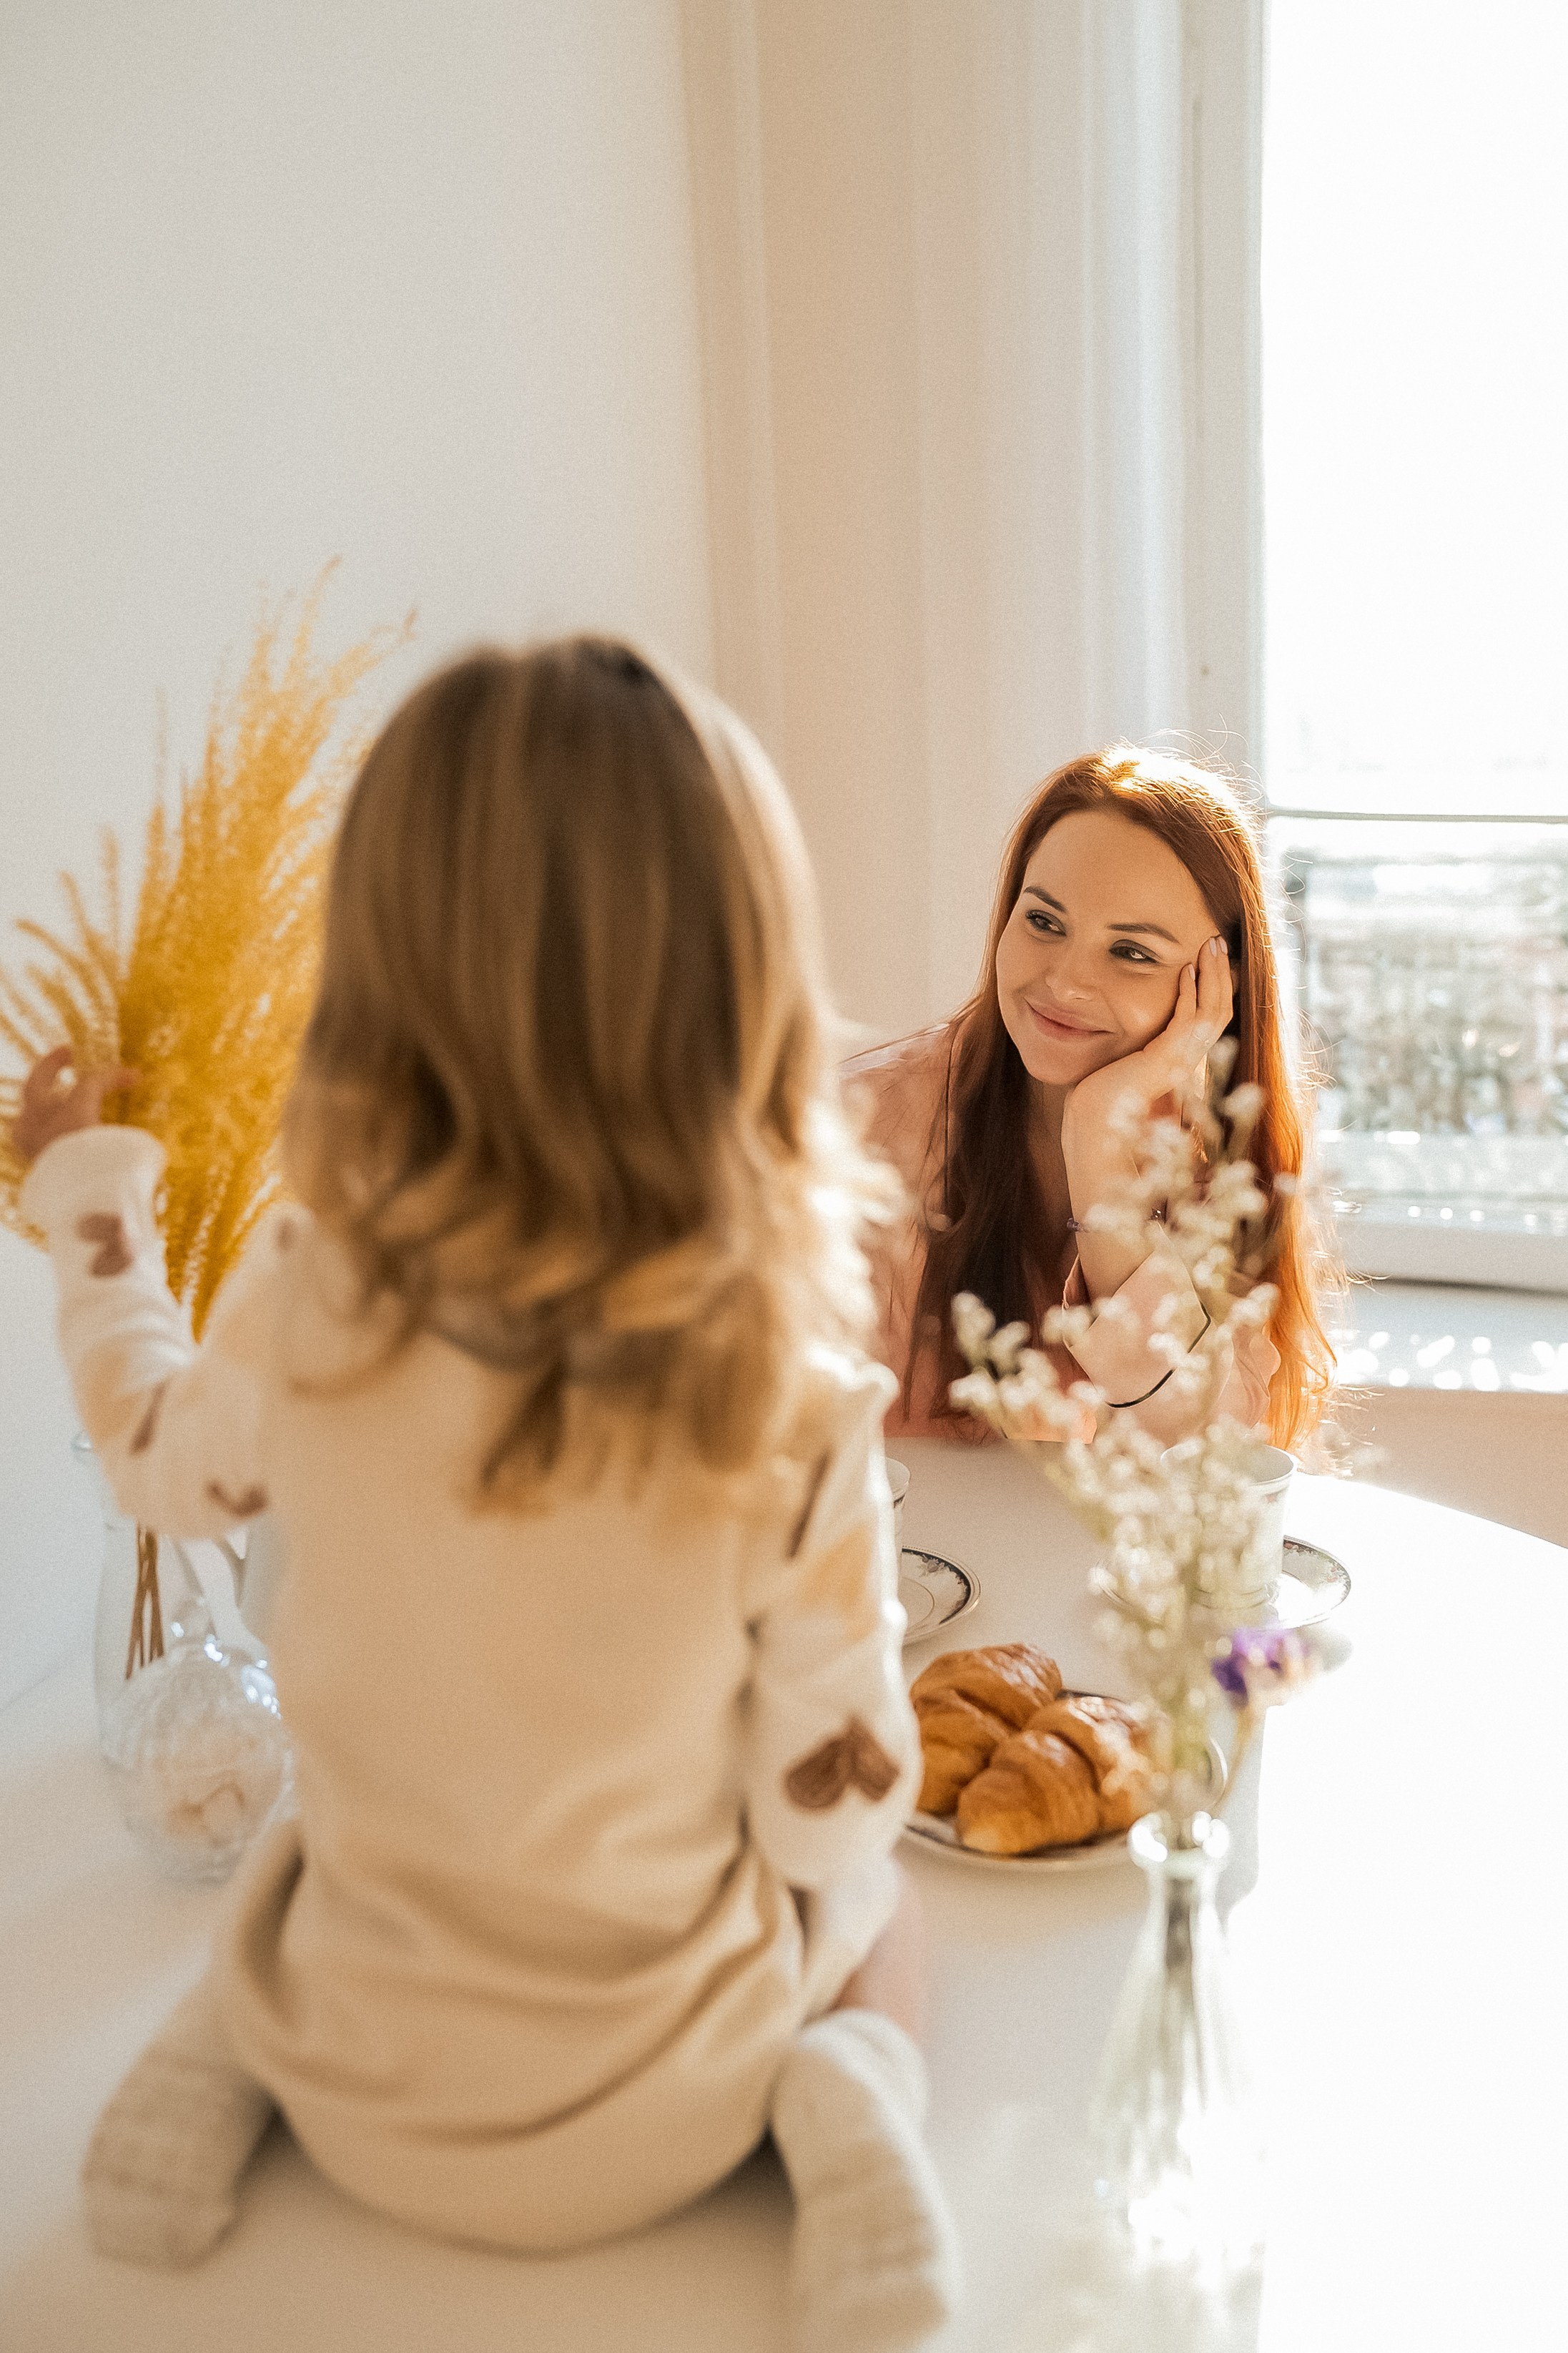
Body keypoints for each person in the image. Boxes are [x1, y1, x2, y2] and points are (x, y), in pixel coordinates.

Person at [11, 638, 959, 2353]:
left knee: (312, 1847)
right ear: (742, 986)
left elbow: (150, 1458)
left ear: (380, 979)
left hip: (365, 2090)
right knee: (886, 1911)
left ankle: (225, 2055)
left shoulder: (308, 1298)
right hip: (680, 2108)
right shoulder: (786, 1390)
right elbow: (835, 1806)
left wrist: (95, 1203)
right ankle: (852, 2089)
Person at [847, 747, 1333, 1450]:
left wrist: (1098, 1141)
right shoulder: (862, 1128)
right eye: (1044, 921)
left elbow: (1207, 1443)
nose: (1066, 983)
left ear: (1215, 985)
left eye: (1131, 952)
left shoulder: (1220, 1158)